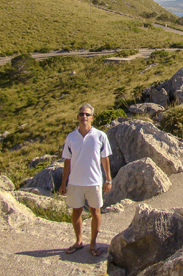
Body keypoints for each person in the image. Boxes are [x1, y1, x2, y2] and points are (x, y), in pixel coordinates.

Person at [59, 103, 112, 257]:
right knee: (76, 211)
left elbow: (105, 159)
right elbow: (67, 161)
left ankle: (93, 243)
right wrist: (64, 183)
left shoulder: (100, 136)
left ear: (92, 118)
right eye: (82, 114)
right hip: (75, 182)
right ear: (77, 117)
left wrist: (108, 179)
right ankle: (79, 241)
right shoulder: (71, 137)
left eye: (87, 114)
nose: (84, 117)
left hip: (94, 181)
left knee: (95, 212)